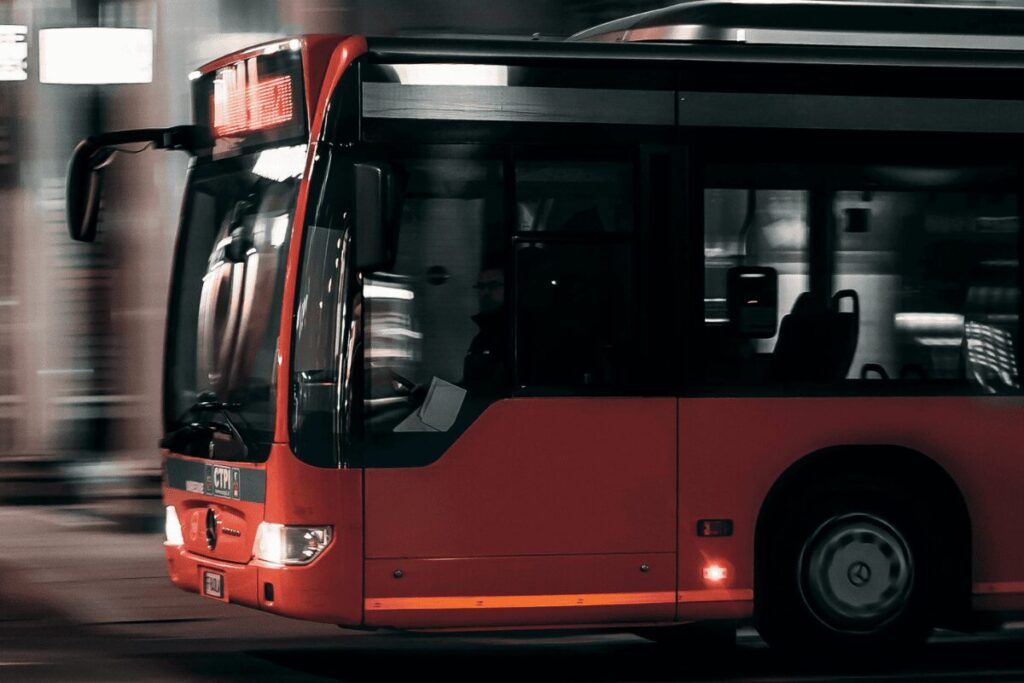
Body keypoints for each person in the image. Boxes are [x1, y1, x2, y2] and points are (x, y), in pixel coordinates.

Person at [463, 265, 506, 393]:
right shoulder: (483, 336)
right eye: (481, 287)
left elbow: (494, 388)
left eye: (493, 286)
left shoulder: (516, 334)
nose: (485, 292)